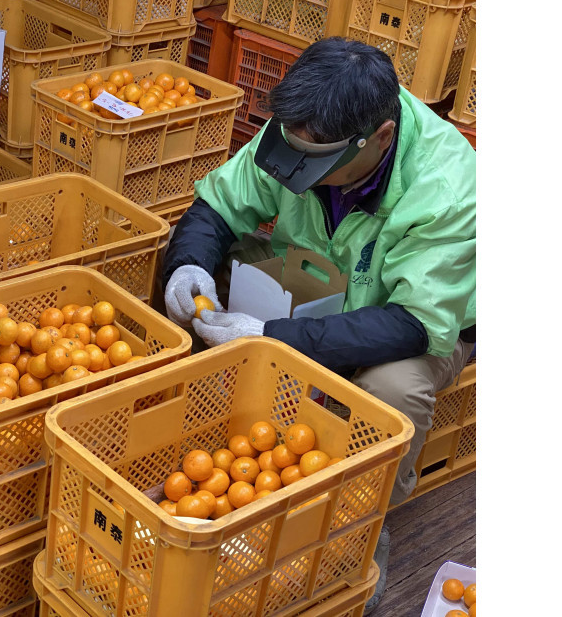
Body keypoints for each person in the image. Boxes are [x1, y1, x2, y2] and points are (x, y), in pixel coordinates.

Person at [161, 37, 475, 613]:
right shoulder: (305, 125)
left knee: (390, 389)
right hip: (314, 277)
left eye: (319, 162)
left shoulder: (447, 188)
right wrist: (189, 264)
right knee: (198, 286)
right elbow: (218, 207)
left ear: (380, 138)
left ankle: (364, 524)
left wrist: (272, 339)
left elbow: (412, 324)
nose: (299, 169)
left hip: (408, 318)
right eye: (294, 151)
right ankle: (211, 429)